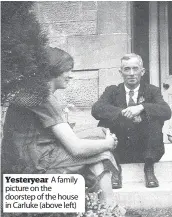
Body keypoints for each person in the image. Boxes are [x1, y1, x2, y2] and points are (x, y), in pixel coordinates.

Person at [1, 47, 127, 215]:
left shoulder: (35, 91)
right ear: (54, 70)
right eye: (68, 70)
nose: (71, 75)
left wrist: (103, 136)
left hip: (32, 155)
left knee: (99, 134)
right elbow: (76, 148)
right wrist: (108, 144)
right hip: (33, 164)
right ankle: (109, 209)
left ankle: (103, 206)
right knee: (101, 154)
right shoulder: (42, 96)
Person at [92, 53, 172, 189]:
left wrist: (141, 107)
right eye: (127, 69)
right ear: (120, 72)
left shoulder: (152, 90)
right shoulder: (112, 91)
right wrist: (122, 112)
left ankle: (149, 170)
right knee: (105, 123)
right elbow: (96, 109)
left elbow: (166, 111)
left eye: (135, 69)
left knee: (155, 119)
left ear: (142, 71)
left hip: (145, 150)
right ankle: (114, 170)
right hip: (121, 149)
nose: (131, 73)